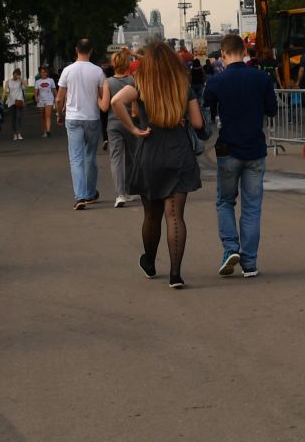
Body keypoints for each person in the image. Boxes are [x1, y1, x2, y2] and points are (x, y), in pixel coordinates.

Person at [106, 41, 205, 288]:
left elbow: (116, 101)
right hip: (179, 152)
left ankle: (149, 262)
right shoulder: (183, 86)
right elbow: (198, 123)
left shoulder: (140, 84)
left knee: (152, 216)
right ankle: (175, 274)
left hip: (150, 151)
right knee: (175, 216)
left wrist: (132, 129)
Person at [203, 32, 278, 278]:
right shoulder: (261, 78)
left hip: (228, 149)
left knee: (225, 201)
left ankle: (230, 248)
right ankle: (250, 262)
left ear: (222, 54)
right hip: (255, 149)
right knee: (252, 207)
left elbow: (207, 113)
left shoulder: (216, 82)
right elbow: (272, 110)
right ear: (245, 51)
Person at [60, 40, 107, 209]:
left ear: (76, 50)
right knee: (90, 156)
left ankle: (80, 196)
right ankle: (91, 192)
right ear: (91, 51)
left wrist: (60, 113)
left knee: (76, 158)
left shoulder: (67, 71)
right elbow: (102, 97)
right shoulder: (98, 72)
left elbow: (59, 97)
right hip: (92, 117)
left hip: (73, 118)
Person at [104, 50, 136, 206]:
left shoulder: (108, 82)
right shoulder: (132, 80)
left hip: (113, 122)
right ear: (127, 64)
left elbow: (104, 107)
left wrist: (97, 98)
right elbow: (135, 108)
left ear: (113, 65)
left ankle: (120, 194)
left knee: (116, 158)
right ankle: (130, 189)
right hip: (130, 122)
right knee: (131, 157)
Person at [3, 68, 29, 139]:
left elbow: (26, 86)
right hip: (11, 101)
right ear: (13, 74)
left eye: (17, 75)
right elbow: (5, 90)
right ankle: (15, 134)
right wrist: (3, 97)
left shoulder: (20, 81)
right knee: (13, 118)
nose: (15, 77)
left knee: (19, 117)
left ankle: (19, 133)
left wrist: (20, 78)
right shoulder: (8, 81)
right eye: (15, 75)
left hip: (19, 101)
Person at [34, 68, 58, 139]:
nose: (43, 73)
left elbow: (54, 90)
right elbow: (36, 91)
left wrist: (57, 98)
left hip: (49, 99)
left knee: (48, 115)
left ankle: (48, 131)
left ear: (47, 73)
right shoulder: (38, 81)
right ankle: (44, 131)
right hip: (41, 100)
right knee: (42, 116)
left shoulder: (50, 80)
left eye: (44, 72)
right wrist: (35, 97)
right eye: (41, 72)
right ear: (40, 73)